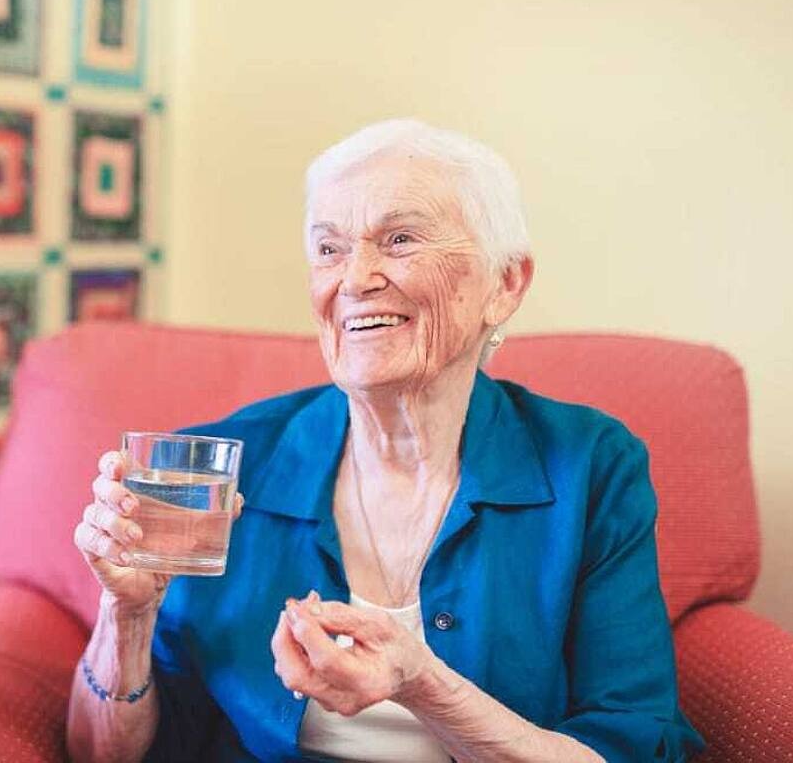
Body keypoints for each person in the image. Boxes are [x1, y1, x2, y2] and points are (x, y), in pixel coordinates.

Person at [68, 118, 705, 762]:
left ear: (505, 284)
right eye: (329, 248)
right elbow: (106, 757)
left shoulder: (590, 467)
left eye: (399, 240)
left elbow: (632, 745)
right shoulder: (217, 470)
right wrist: (127, 618)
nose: (354, 279)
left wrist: (422, 684)